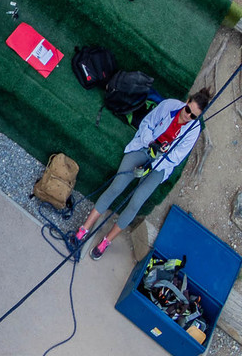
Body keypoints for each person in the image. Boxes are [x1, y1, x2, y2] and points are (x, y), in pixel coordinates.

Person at [74, 87, 210, 257]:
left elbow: (176, 158)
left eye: (193, 116)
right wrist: (151, 143)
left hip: (161, 165)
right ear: (187, 101)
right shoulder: (169, 105)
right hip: (144, 147)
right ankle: (84, 228)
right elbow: (147, 124)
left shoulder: (193, 130)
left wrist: (152, 166)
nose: (188, 116)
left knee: (136, 202)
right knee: (116, 187)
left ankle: (106, 241)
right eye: (188, 110)